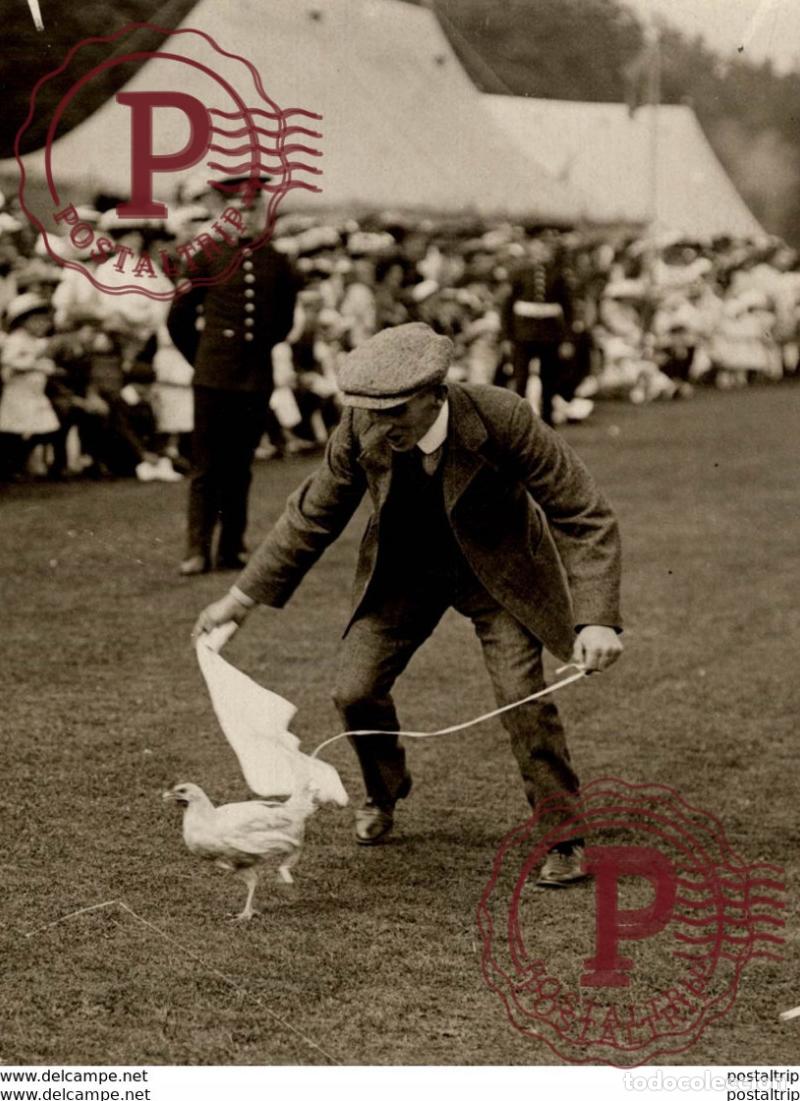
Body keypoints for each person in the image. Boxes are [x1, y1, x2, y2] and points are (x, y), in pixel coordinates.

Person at [191, 322, 623, 886]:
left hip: (502, 576)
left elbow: (584, 513)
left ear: (436, 395)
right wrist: (240, 598)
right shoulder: (359, 428)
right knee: (354, 690)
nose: (379, 425)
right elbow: (311, 514)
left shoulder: (503, 416)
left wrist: (596, 620)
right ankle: (382, 791)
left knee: (523, 699)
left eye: (394, 412)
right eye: (370, 412)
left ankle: (564, 836)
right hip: (405, 575)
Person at [167, 176, 298, 574]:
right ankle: (196, 549)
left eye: (254, 207)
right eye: (239, 208)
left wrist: (251, 353)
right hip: (213, 376)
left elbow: (282, 323)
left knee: (240, 466)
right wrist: (205, 360)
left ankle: (231, 547)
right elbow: (179, 319)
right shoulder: (205, 255)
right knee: (206, 465)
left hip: (254, 377)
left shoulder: (277, 261)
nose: (247, 214)